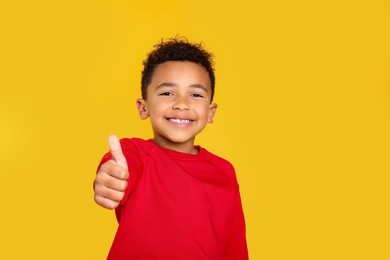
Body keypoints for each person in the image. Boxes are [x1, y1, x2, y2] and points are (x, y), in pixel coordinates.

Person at [93, 36, 248, 259]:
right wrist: (111, 178)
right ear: (143, 107)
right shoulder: (135, 154)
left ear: (211, 111)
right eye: (167, 93)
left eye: (195, 95)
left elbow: (234, 248)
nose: (182, 104)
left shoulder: (225, 172)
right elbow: (120, 166)